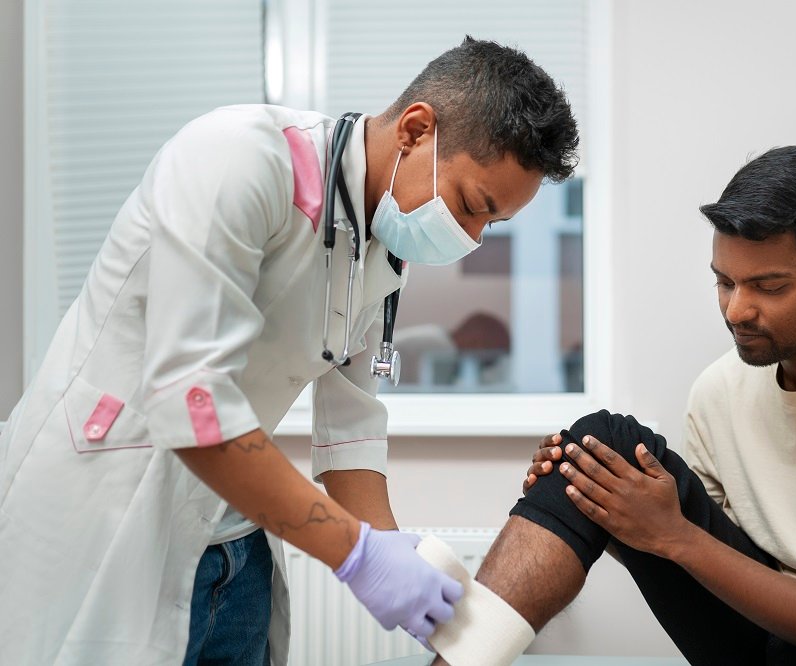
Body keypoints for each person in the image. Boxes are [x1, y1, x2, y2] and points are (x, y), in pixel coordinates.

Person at [0, 37, 578, 665]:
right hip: (113, 511)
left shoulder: (382, 248)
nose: (469, 238)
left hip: (234, 539)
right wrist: (356, 555)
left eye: (490, 226)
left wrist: (396, 561)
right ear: (416, 129)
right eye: (471, 206)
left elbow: (350, 431)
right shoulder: (241, 159)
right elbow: (192, 402)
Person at [455, 143, 796, 665]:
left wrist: (672, 534)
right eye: (724, 282)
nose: (737, 310)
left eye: (769, 286)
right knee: (602, 446)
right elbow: (708, 565)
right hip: (769, 642)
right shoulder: (722, 389)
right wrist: (610, 511)